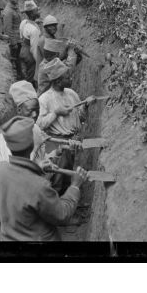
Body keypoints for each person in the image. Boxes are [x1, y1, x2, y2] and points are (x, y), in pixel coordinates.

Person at [0, 115, 89, 241]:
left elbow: (20, 183)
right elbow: (62, 214)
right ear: (32, 144)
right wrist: (75, 186)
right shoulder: (38, 186)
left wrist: (56, 153)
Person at [37, 58, 95, 194]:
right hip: (57, 145)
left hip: (74, 142)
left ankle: (68, 200)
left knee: (70, 175)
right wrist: (56, 113)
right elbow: (39, 125)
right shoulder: (45, 99)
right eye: (67, 77)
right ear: (57, 81)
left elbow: (80, 118)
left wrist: (85, 105)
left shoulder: (71, 94)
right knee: (57, 177)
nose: (71, 79)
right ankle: (57, 203)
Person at [0, 80, 49, 164]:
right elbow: (15, 169)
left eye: (37, 110)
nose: (35, 114)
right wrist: (36, 147)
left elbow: (41, 158)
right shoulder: (8, 136)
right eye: (30, 110)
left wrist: (56, 153)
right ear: (19, 110)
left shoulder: (35, 128)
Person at [19, 0, 42, 87]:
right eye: (37, 10)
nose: (39, 11)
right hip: (30, 56)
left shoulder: (24, 22)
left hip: (23, 50)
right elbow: (33, 49)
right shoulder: (34, 30)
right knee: (30, 78)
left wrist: (35, 23)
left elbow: (22, 35)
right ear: (32, 13)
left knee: (24, 74)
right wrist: (39, 64)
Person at [2, 0, 23, 79]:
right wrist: (13, 42)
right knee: (15, 58)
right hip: (14, 38)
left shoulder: (16, 8)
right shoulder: (8, 11)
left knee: (18, 57)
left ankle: (20, 74)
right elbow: (7, 28)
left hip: (18, 37)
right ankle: (17, 76)